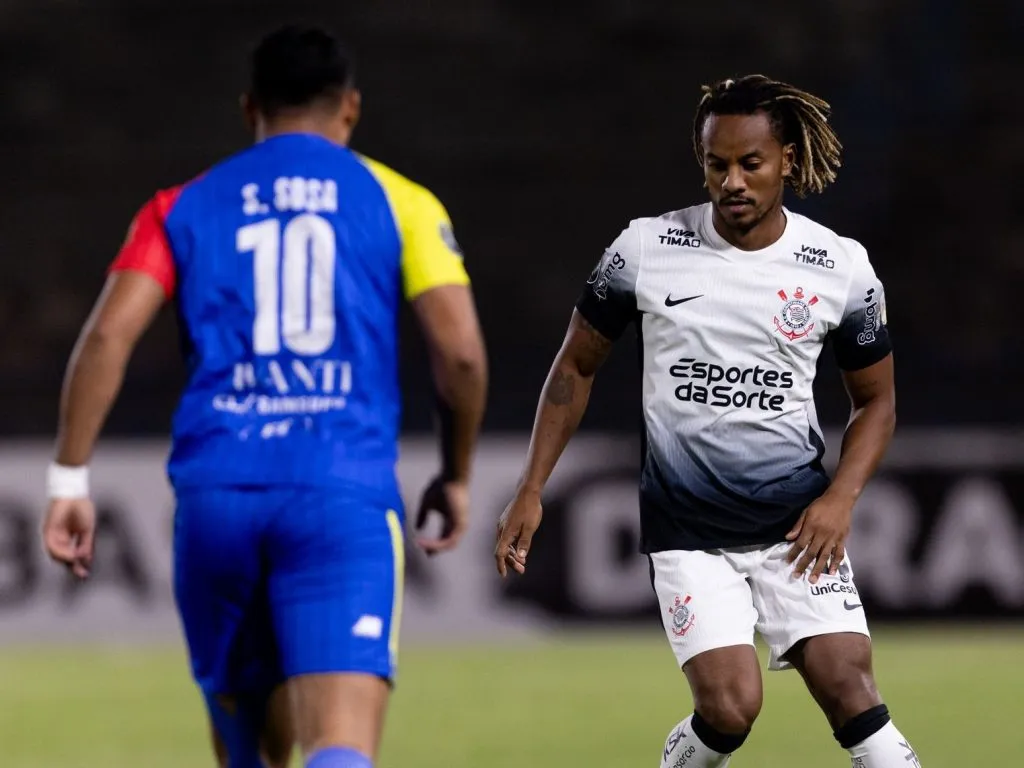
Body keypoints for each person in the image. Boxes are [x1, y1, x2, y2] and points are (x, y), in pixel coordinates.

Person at [42, 24, 488, 768]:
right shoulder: (400, 200)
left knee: (249, 755)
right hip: (338, 495)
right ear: (349, 108)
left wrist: (69, 478)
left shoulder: (179, 207)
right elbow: (462, 355)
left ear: (250, 107)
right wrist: (458, 472)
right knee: (339, 745)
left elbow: (105, 340)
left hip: (217, 500)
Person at [495, 74, 920, 768]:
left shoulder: (840, 267)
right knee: (729, 709)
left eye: (750, 163)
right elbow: (575, 367)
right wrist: (532, 486)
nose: (732, 181)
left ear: (785, 158)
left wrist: (841, 498)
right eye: (715, 164)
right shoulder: (644, 249)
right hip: (690, 533)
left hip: (796, 529)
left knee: (852, 690)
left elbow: (877, 401)